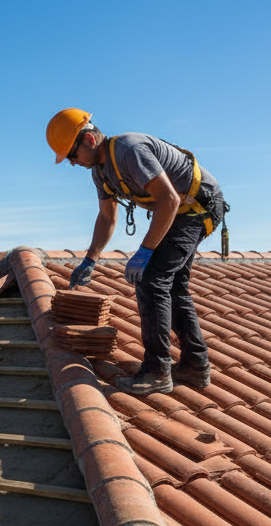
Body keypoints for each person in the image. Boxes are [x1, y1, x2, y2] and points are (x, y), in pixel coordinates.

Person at [47, 109, 228, 396]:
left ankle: (157, 372)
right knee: (173, 286)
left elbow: (168, 199)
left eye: (71, 154)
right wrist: (90, 259)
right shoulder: (100, 172)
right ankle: (195, 365)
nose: (72, 162)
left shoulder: (129, 150)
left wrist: (145, 252)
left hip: (197, 206)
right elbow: (107, 217)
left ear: (90, 140)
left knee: (151, 279)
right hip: (179, 210)